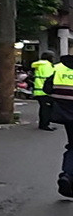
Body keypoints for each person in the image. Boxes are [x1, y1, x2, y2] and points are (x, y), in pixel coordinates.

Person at [43, 54, 73, 197]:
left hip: (64, 114)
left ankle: (66, 175)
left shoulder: (57, 68)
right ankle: (67, 176)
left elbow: (47, 89)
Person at [32, 51, 57, 131]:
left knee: (44, 108)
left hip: (39, 90)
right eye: (52, 57)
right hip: (45, 91)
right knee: (46, 109)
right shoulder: (46, 66)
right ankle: (45, 125)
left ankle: (43, 124)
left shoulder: (40, 65)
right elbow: (49, 79)